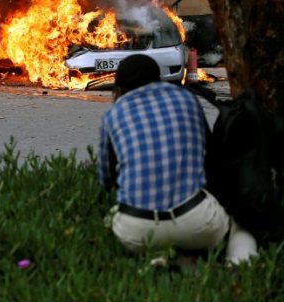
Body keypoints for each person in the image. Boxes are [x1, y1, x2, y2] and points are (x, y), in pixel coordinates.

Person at [97, 54, 257, 265]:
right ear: (158, 80)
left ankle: (159, 260)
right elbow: (209, 157)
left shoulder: (113, 115)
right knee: (239, 229)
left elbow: (107, 180)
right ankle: (238, 265)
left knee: (113, 218)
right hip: (196, 219)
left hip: (138, 229)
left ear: (119, 90)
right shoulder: (187, 98)